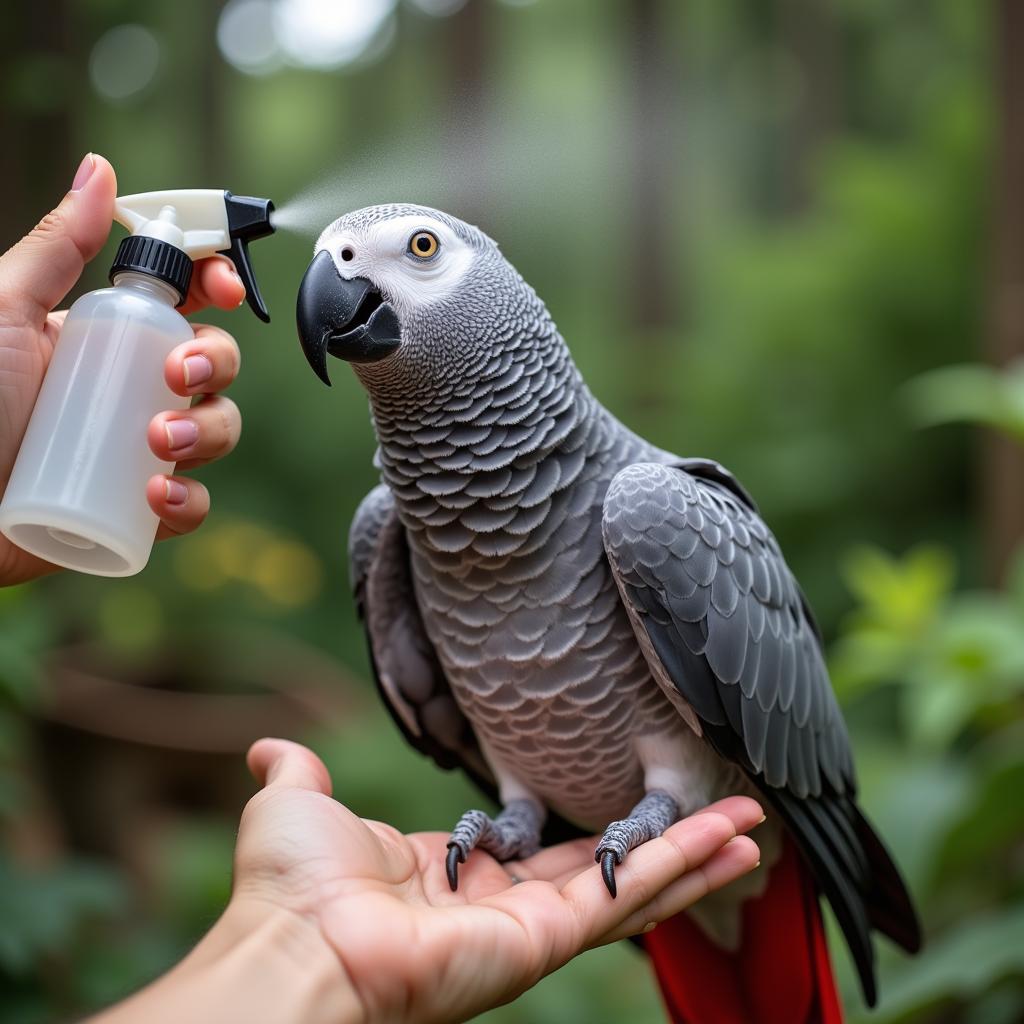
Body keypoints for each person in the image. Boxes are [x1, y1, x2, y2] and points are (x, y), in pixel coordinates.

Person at [0, 155, 763, 1024]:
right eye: (340, 258)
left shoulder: (655, 510)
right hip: (581, 838)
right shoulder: (400, 538)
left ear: (509, 304)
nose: (344, 277)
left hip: (729, 821)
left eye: (423, 247)